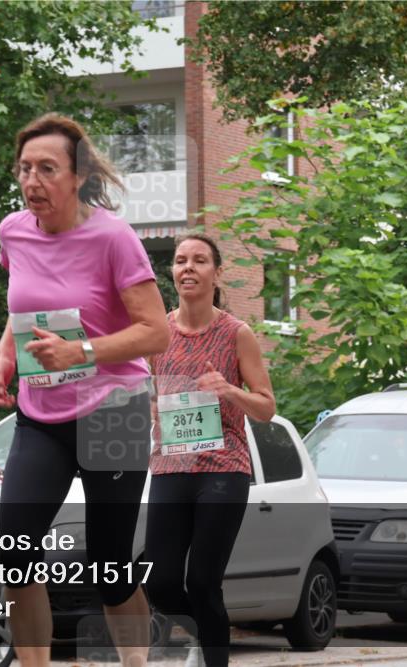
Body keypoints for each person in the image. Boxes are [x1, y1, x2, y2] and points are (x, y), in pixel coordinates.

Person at [0, 112, 169, 667]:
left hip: (114, 411)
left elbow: (155, 331)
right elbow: (24, 303)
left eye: (47, 169)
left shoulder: (113, 237)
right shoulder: (12, 231)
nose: (32, 181)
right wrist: (5, 355)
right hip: (42, 415)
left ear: (78, 176)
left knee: (109, 567)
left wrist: (81, 351)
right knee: (15, 553)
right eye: (24, 169)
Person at [145, 234, 276, 667]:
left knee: (203, 580)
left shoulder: (237, 334)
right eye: (181, 260)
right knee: (161, 582)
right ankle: (207, 630)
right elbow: (148, 393)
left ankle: (213, 650)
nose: (188, 268)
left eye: (199, 261)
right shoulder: (158, 332)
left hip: (223, 468)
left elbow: (266, 407)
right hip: (170, 466)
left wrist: (228, 390)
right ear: (172, 271)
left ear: (216, 273)